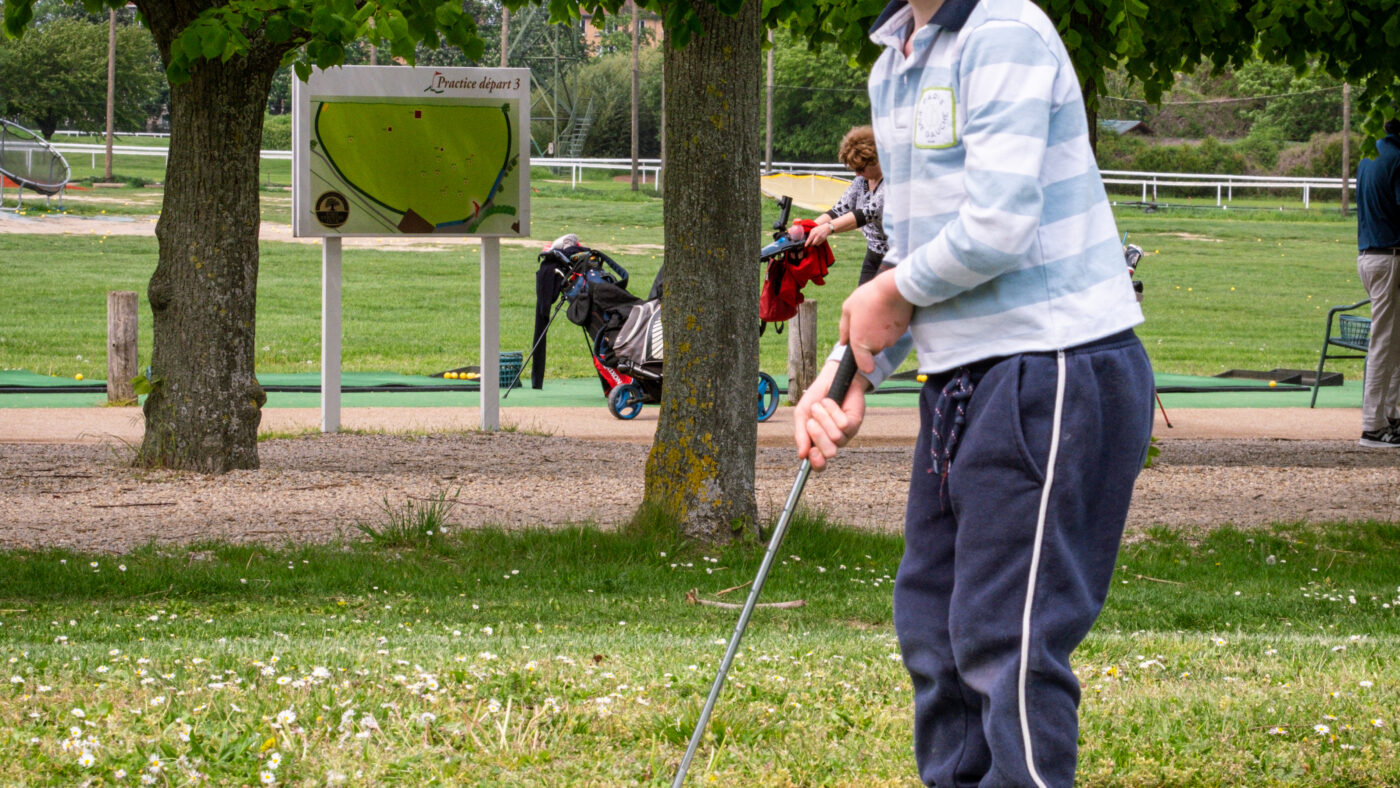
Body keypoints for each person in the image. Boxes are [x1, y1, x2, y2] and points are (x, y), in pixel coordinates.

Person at [793, 1, 1155, 786]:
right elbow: (922, 255)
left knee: (1006, 642)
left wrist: (887, 301)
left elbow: (999, 226)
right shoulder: (893, 61)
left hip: (1052, 367)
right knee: (934, 628)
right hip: (964, 376)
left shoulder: (1004, 32)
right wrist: (848, 372)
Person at [791, 125, 889, 285]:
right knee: (860, 307)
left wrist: (828, 228)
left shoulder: (891, 184)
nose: (857, 174)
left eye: (860, 168)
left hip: (897, 258)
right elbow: (838, 210)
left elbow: (865, 214)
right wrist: (807, 229)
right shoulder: (861, 181)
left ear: (875, 159)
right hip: (873, 256)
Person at [1354, 118, 1400, 448]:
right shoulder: (1397, 159)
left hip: (1369, 255)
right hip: (1389, 256)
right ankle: (1373, 425)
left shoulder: (1368, 157)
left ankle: (1390, 417)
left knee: (1393, 340)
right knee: (1384, 341)